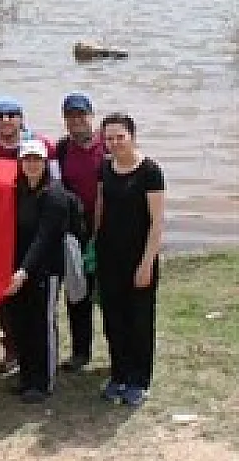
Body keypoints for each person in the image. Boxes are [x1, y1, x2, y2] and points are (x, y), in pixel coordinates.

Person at [0, 96, 59, 376]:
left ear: (22, 118)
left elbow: (56, 183)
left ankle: (40, 360)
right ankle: (12, 352)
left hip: (36, 231)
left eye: (12, 114)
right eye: (0, 115)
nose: (6, 120)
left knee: (38, 304)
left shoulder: (42, 145)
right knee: (6, 299)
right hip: (1, 235)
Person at [95, 113, 165, 407]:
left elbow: (157, 222)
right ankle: (119, 373)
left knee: (139, 319)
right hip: (109, 255)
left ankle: (139, 379)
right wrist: (92, 246)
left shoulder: (150, 170)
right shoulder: (105, 167)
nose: (114, 143)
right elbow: (100, 207)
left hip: (139, 257)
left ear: (132, 136)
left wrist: (147, 262)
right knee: (114, 319)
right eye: (108, 138)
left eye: (119, 137)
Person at [3, 140, 71, 404]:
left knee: (41, 323)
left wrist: (24, 271)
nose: (32, 164)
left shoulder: (55, 195)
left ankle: (44, 381)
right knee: (20, 322)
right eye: (27, 159)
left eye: (37, 159)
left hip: (45, 270)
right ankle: (27, 376)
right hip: (18, 271)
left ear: (45, 163)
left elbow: (45, 238)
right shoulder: (17, 191)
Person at [55, 91, 107, 372]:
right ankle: (80, 352)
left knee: (111, 295)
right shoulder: (61, 149)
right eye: (71, 116)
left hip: (109, 230)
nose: (77, 121)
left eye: (81, 115)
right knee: (77, 292)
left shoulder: (109, 145)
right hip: (76, 230)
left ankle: (119, 351)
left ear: (91, 117)